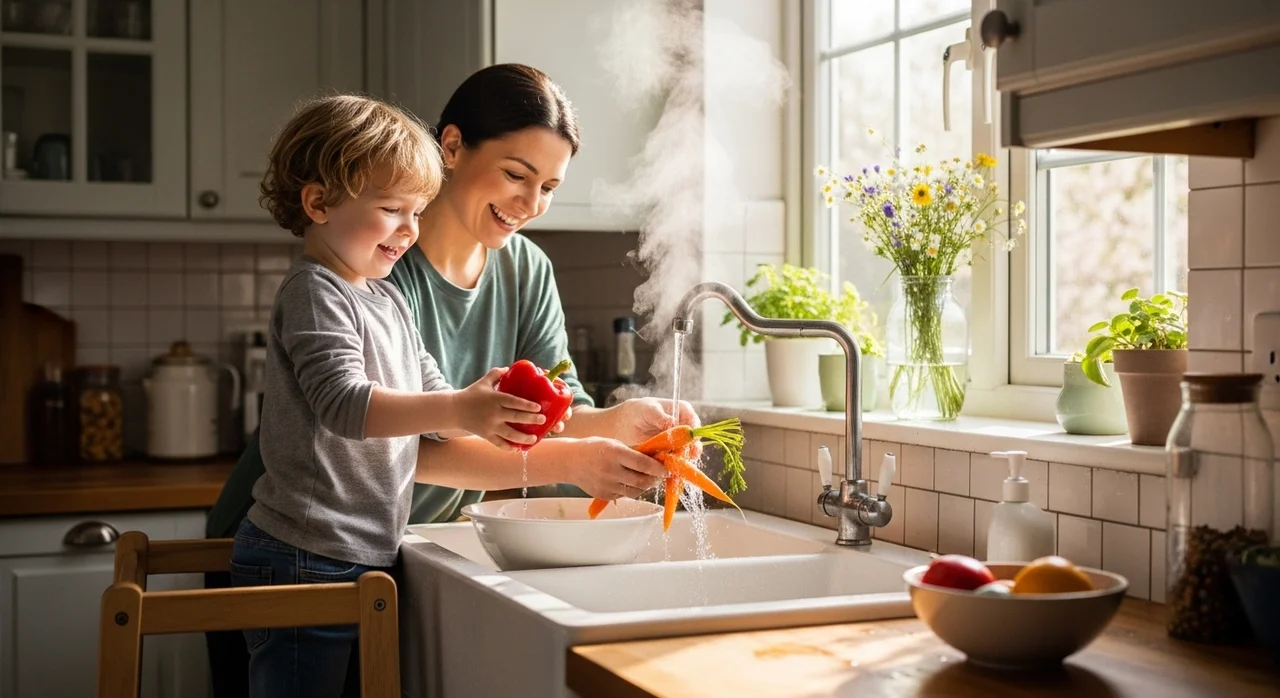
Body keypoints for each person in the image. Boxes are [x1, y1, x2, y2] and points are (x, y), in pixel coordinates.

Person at [205, 64, 694, 698]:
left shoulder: (512, 269)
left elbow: (540, 410)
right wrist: (565, 457)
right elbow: (406, 443)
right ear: (454, 147)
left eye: (548, 185)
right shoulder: (370, 266)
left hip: (382, 544)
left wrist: (618, 424)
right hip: (301, 538)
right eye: (517, 175)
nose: (530, 204)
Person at [230, 93, 577, 697]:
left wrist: (480, 404)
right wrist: (460, 409)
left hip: (360, 550)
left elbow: (433, 397)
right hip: (303, 551)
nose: (409, 230)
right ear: (318, 203)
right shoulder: (315, 291)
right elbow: (344, 405)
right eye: (392, 209)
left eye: (417, 211)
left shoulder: (384, 296)